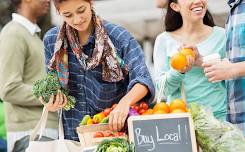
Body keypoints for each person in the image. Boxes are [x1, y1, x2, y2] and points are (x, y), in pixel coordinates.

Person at [42, 0, 155, 141]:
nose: (77, 19)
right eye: (68, 15)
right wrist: (51, 101)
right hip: (71, 137)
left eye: (81, 10)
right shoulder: (52, 41)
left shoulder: (117, 38)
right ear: (59, 13)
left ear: (90, 3)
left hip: (113, 137)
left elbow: (143, 79)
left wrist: (124, 103)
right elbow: (51, 84)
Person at [203, 0, 245, 151]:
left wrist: (232, 70)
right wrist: (200, 60)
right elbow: (244, 59)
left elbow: (234, 68)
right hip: (241, 129)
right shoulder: (235, 9)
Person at [154, 0, 227, 120]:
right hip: (179, 119)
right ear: (175, 6)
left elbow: (232, 76)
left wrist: (202, 61)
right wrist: (178, 71)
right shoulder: (164, 40)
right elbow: (162, 91)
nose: (197, 1)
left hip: (218, 119)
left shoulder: (222, 35)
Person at [0, 0, 58, 151]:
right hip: (29, 133)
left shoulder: (30, 35)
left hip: (44, 130)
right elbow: (8, 89)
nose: (48, 1)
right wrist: (51, 95)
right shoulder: (13, 34)